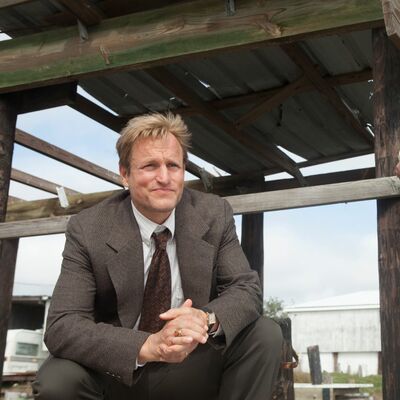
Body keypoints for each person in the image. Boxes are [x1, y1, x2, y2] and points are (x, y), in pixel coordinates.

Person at [33, 112, 283, 400]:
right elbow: (62, 325)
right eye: (150, 166)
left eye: (173, 165)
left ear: (183, 170)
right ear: (124, 174)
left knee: (263, 334)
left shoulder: (214, 214)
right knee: (57, 381)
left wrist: (204, 319)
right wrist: (147, 345)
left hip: (191, 363)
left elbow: (246, 288)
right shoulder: (89, 228)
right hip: (119, 369)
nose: (164, 178)